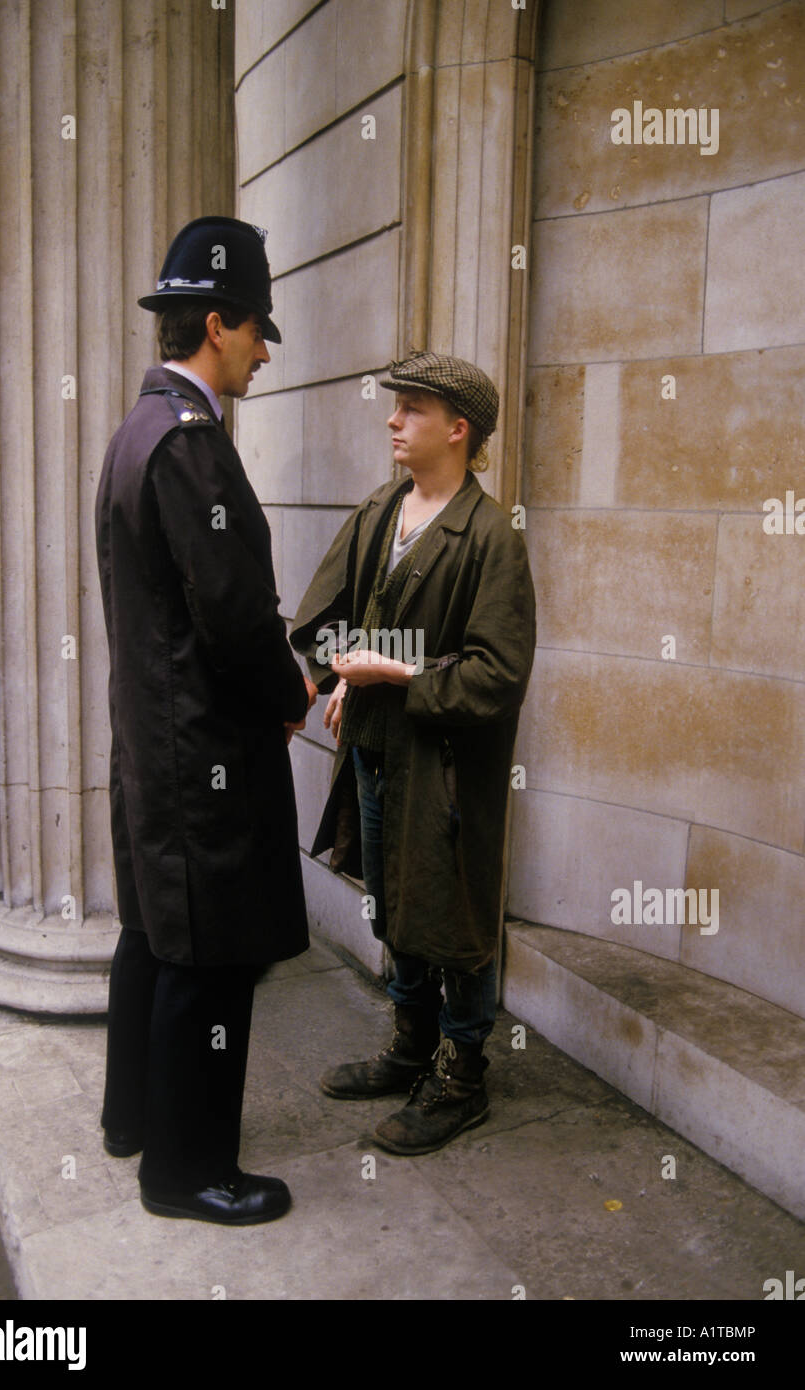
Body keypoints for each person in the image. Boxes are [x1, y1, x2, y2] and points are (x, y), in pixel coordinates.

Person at [95, 216, 316, 1226]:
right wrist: (292, 693)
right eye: (259, 329)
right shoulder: (188, 444)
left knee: (152, 933)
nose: (266, 350)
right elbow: (231, 613)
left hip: (155, 742)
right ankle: (186, 1173)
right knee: (211, 963)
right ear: (217, 323)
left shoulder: (137, 429)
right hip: (201, 753)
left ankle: (135, 1116)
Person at [289, 352, 535, 1155]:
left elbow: (497, 674)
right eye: (396, 408)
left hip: (447, 767)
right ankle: (409, 1047)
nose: (393, 420)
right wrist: (342, 677)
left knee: (454, 910)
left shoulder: (491, 537)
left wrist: (394, 671)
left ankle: (462, 1075)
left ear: (458, 429)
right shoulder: (380, 510)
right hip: (374, 750)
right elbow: (320, 618)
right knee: (393, 897)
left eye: (413, 409)